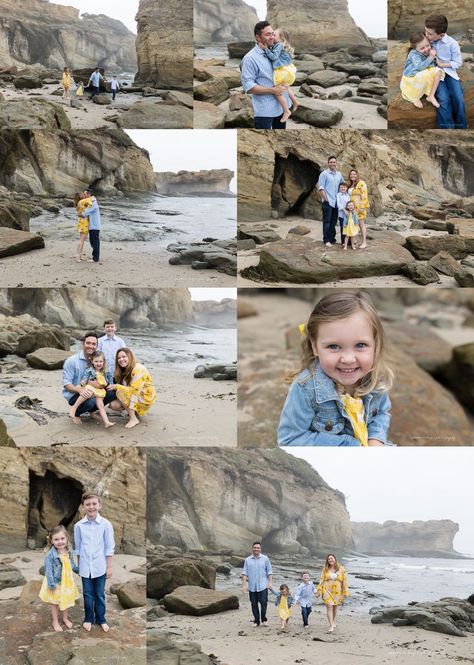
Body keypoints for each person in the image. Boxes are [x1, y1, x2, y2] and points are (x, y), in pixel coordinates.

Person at [277, 291, 394, 446]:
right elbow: (289, 440)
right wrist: (350, 446)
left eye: (360, 345)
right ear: (315, 347)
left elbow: (381, 413)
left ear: (375, 345)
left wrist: (376, 439)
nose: (348, 359)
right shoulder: (305, 388)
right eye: (334, 346)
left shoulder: (376, 378)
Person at [74, 491, 115, 632]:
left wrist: (109, 567)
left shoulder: (106, 524)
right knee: (87, 594)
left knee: (99, 594)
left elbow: (109, 547)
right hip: (85, 567)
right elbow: (78, 548)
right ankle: (88, 618)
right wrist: (79, 566)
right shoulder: (79, 526)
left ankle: (101, 619)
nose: (91, 507)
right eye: (88, 505)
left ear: (99, 505)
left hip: (100, 566)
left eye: (94, 504)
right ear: (83, 507)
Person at [241, 21, 292, 129]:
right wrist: (273, 90)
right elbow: (249, 87)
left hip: (281, 108)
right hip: (265, 112)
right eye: (267, 34)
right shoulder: (250, 58)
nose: (272, 37)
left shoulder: (275, 51)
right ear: (258, 38)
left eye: (272, 34)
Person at [424, 14, 467, 129]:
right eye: (426, 31)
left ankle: (461, 127)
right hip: (435, 75)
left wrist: (442, 64)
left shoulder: (452, 43)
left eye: (430, 33)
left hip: (449, 72)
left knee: (458, 97)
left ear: (441, 35)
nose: (426, 35)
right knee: (443, 98)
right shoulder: (426, 40)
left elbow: (458, 63)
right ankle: (447, 128)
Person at [62, 332, 117, 421]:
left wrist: (104, 384)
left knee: (112, 392)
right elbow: (66, 384)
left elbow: (106, 376)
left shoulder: (98, 361)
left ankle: (92, 411)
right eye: (88, 343)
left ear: (97, 346)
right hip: (75, 394)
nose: (91, 346)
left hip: (94, 390)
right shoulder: (71, 361)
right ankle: (76, 413)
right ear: (83, 343)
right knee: (91, 400)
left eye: (93, 344)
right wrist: (80, 390)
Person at [39, 525, 80, 632]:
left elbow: (71, 563)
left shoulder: (69, 550)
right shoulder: (50, 555)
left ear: (67, 539)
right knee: (55, 602)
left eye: (62, 538)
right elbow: (48, 571)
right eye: (56, 539)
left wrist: (78, 570)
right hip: (56, 582)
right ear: (52, 541)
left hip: (67, 581)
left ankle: (65, 618)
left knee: (66, 599)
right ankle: (55, 621)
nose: (60, 541)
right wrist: (51, 583)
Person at [107, 348, 156, 429]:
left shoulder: (138, 369)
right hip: (138, 395)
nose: (121, 359)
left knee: (119, 390)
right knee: (114, 405)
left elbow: (134, 391)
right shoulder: (124, 369)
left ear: (130, 357)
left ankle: (133, 418)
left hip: (146, 398)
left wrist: (116, 386)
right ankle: (135, 412)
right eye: (119, 358)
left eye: (124, 357)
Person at [69, 351, 115, 428]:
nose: (99, 363)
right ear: (92, 362)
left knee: (101, 406)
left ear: (104, 362)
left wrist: (109, 384)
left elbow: (110, 381)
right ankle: (74, 408)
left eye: (101, 361)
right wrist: (82, 383)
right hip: (91, 388)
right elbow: (85, 379)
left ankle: (106, 422)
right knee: (88, 392)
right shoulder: (89, 370)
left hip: (100, 390)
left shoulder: (106, 371)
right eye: (96, 361)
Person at [262, 28, 298, 123]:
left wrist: (265, 48)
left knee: (277, 91)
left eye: (274, 35)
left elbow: (273, 57)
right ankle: (295, 102)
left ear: (281, 38)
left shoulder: (278, 45)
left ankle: (286, 111)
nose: (272, 37)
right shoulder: (281, 45)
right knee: (285, 87)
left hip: (282, 70)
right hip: (288, 69)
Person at [400, 32, 444, 109]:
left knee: (438, 71)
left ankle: (431, 95)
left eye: (427, 45)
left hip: (421, 73)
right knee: (425, 75)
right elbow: (419, 67)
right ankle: (414, 98)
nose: (426, 49)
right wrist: (431, 57)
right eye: (422, 48)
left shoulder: (430, 49)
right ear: (415, 48)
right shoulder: (414, 54)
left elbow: (433, 64)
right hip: (411, 77)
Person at [242, 542, 273, 627]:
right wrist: (244, 585)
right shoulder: (247, 560)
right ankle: (256, 621)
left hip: (263, 586)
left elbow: (269, 572)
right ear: (252, 548)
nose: (256, 549)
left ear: (260, 549)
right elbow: (244, 573)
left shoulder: (265, 559)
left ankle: (264, 619)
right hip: (252, 587)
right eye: (255, 547)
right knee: (254, 604)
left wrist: (270, 583)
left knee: (264, 603)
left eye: (258, 548)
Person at [316, 554, 349, 633]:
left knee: (335, 607)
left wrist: (345, 591)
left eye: (332, 558)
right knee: (329, 606)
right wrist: (318, 591)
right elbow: (321, 580)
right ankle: (331, 625)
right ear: (327, 561)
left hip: (337, 591)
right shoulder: (325, 569)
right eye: (329, 559)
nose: (330, 560)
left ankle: (333, 621)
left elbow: (345, 580)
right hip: (327, 590)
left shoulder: (341, 569)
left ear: (335, 559)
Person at [317, 157, 344, 246]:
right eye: (331, 162)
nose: (332, 163)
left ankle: (332, 239)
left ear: (336, 163)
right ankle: (326, 240)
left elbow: (343, 185)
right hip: (328, 202)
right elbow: (321, 188)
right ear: (328, 163)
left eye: (334, 162)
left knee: (333, 222)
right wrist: (326, 199)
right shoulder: (324, 174)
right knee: (327, 221)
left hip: (336, 203)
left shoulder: (339, 175)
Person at [348, 169, 369, 249]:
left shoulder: (361, 183)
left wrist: (361, 208)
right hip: (352, 208)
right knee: (353, 224)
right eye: (351, 174)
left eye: (354, 174)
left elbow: (364, 197)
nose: (352, 175)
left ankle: (364, 242)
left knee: (361, 225)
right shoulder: (351, 184)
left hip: (359, 208)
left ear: (357, 175)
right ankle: (355, 241)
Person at [80, 190, 101, 263]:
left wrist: (80, 214)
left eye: (85, 194)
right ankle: (95, 256)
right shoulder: (91, 201)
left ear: (89, 194)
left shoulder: (93, 203)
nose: (84, 195)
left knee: (94, 242)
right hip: (93, 226)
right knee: (94, 242)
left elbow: (87, 211)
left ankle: (95, 258)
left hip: (94, 226)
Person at [74, 192, 93, 262]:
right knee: (82, 240)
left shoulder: (79, 202)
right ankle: (78, 256)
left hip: (81, 222)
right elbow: (91, 203)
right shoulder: (82, 201)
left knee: (82, 239)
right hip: (84, 222)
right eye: (83, 194)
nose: (84, 195)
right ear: (80, 197)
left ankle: (80, 255)